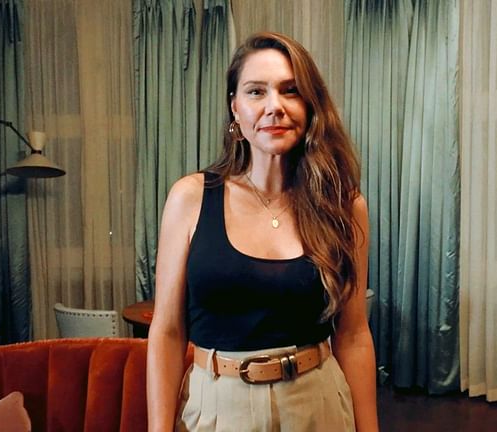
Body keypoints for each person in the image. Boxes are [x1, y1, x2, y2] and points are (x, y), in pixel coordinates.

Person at [147, 31, 378, 432]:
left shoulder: (345, 205)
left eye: (290, 91)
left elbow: (354, 334)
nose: (275, 106)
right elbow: (167, 332)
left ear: (309, 105)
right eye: (256, 92)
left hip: (318, 405)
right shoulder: (190, 198)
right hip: (217, 409)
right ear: (235, 108)